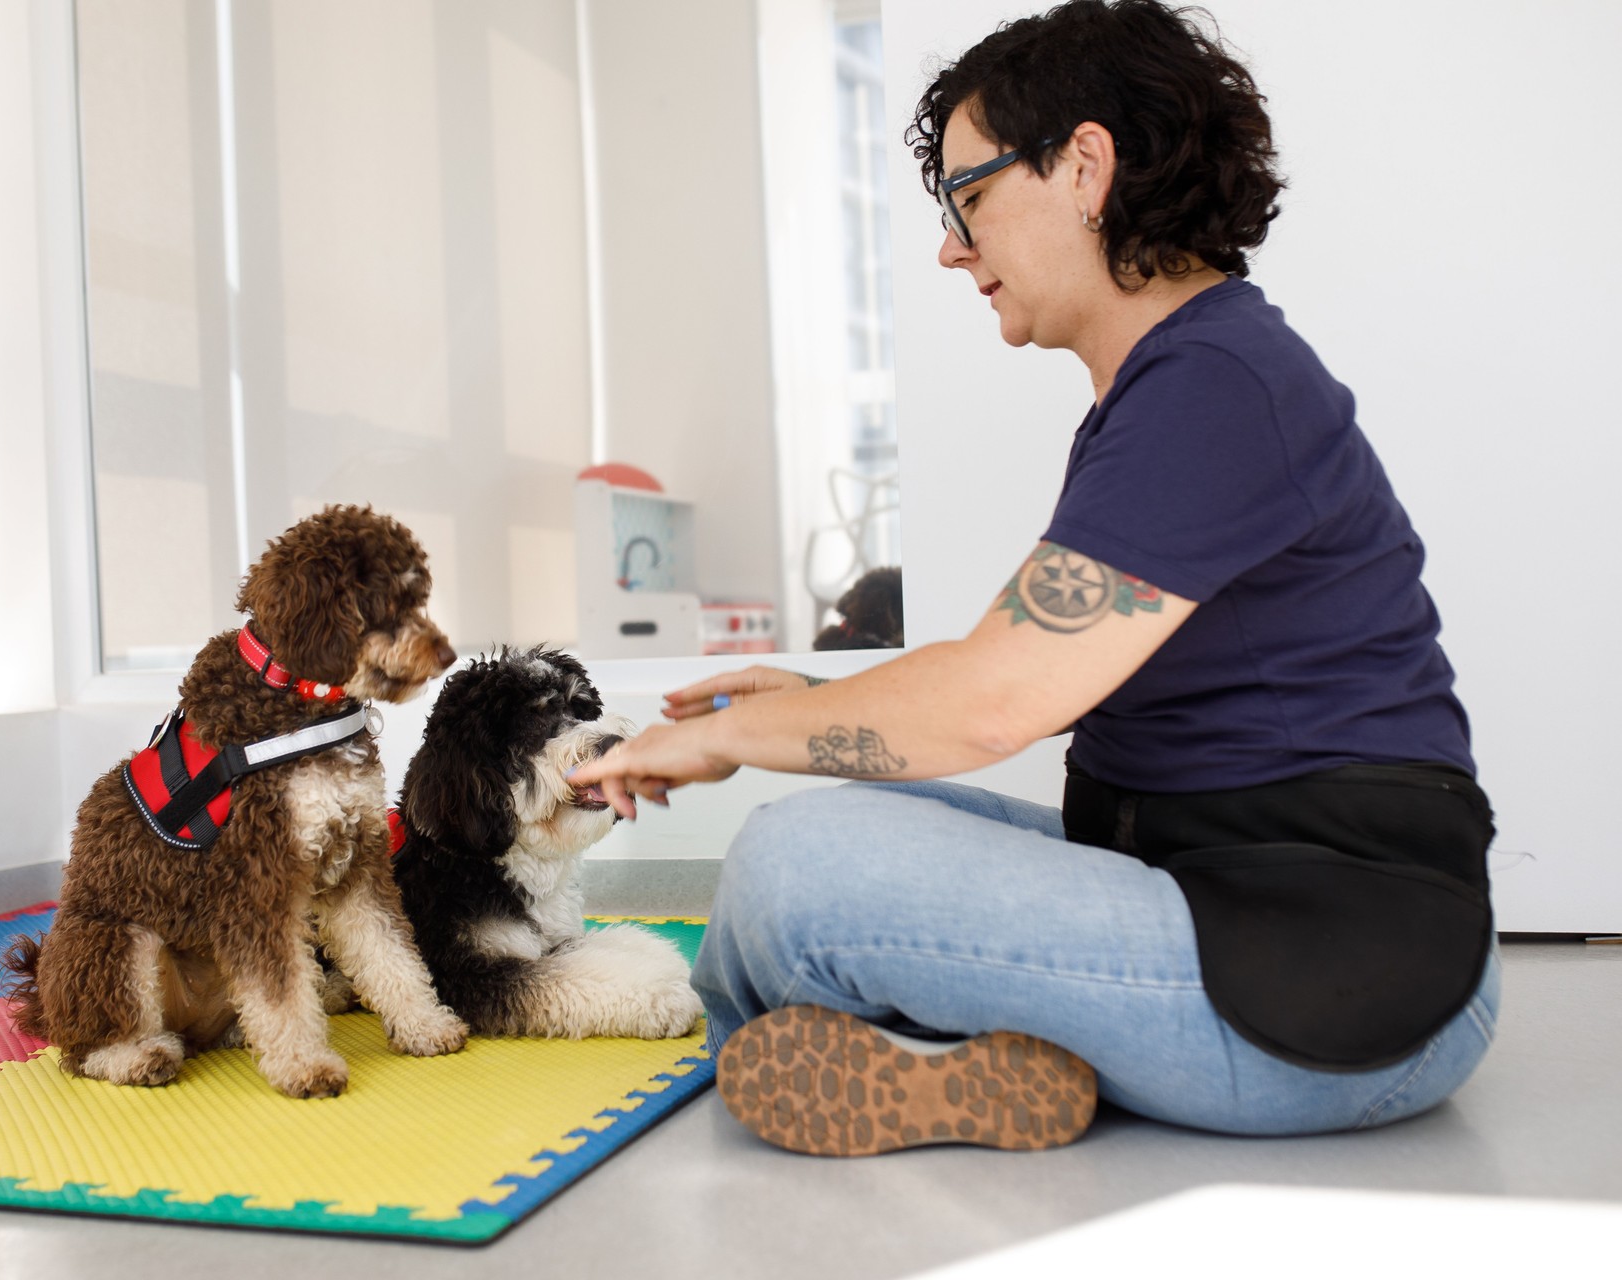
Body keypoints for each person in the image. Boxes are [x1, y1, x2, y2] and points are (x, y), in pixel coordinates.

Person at [568, 0, 1496, 1158]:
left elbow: (995, 701)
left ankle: (904, 1048)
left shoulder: (1215, 385)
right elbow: (999, 666)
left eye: (969, 197)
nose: (953, 247)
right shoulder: (1181, 378)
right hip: (1219, 896)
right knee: (836, 825)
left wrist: (728, 741)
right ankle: (972, 1059)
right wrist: (798, 700)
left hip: (1334, 971)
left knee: (794, 864)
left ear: (1086, 166)